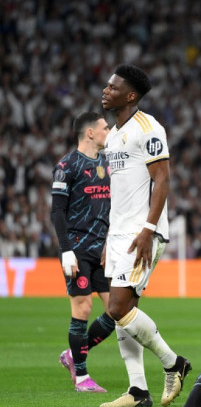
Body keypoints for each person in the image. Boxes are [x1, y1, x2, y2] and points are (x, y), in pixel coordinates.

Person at [100, 64, 191, 407]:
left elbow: (162, 180)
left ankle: (174, 363)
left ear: (131, 95)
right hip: (119, 233)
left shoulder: (149, 127)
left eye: (113, 87)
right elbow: (119, 190)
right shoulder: (112, 135)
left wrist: (147, 230)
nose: (106, 91)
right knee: (126, 313)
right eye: (107, 86)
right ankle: (138, 391)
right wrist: (111, 236)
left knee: (118, 307)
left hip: (143, 233)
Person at [51, 111, 115, 393]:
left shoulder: (107, 162)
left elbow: (113, 206)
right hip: (76, 250)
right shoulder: (67, 165)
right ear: (90, 132)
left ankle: (72, 354)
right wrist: (66, 251)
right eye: (105, 127)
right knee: (84, 308)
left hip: (102, 249)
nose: (109, 130)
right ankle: (82, 378)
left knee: (117, 310)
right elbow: (58, 212)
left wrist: (110, 240)